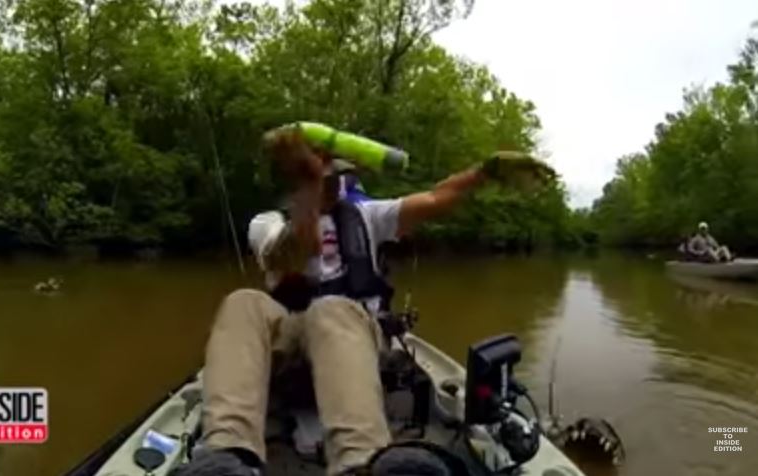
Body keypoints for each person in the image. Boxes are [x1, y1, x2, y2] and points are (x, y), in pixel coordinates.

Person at [187, 129, 553, 476]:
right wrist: (310, 198)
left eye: (334, 175)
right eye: (319, 173)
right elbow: (288, 261)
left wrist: (482, 172)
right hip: (288, 352)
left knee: (332, 308)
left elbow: (436, 199)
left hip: (353, 344)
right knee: (243, 302)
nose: (330, 181)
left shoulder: (368, 216)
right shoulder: (267, 223)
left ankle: (361, 463)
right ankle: (226, 456)